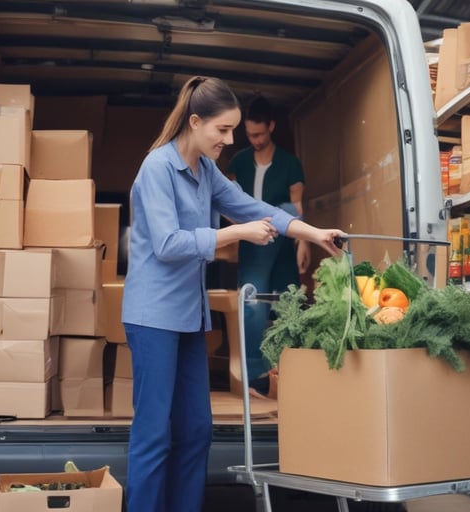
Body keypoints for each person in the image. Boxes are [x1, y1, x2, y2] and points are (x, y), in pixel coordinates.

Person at [121, 75, 345, 512]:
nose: (230, 139)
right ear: (195, 121)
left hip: (188, 315)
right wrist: (234, 234)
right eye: (222, 130)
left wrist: (314, 233)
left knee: (197, 431)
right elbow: (167, 245)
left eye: (233, 130)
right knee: (153, 433)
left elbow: (256, 209)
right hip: (152, 317)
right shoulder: (157, 168)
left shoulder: (205, 171)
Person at [227, 95, 309, 398]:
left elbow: (296, 207)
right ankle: (253, 378)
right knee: (252, 306)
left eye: (259, 134)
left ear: (271, 127)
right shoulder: (238, 161)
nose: (255, 140)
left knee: (287, 304)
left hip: (284, 241)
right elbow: (228, 203)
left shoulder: (290, 163)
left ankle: (289, 375)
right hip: (253, 241)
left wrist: (302, 243)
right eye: (249, 134)